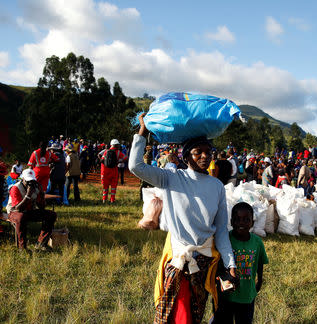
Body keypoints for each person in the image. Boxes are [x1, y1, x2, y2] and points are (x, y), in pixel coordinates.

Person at [129, 113, 237, 323]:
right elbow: (135, 167)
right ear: (186, 157)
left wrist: (230, 263)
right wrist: (143, 132)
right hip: (178, 259)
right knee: (171, 316)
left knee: (194, 316)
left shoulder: (216, 187)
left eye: (208, 152)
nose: (205, 156)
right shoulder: (171, 178)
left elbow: (222, 229)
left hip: (203, 261)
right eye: (198, 153)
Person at [212, 202, 268, 324]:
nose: (241, 223)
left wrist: (260, 280)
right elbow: (217, 264)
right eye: (237, 219)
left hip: (247, 295)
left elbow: (260, 262)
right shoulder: (225, 240)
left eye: (246, 219)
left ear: (252, 222)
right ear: (231, 222)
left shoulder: (257, 242)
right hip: (226, 296)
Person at [6, 169, 57, 251]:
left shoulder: (35, 188)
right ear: (22, 179)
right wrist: (28, 196)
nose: (30, 184)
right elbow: (18, 208)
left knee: (51, 215)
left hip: (29, 211)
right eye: (28, 181)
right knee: (21, 217)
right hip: (14, 212)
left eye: (32, 181)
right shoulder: (15, 188)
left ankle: (41, 244)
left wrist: (41, 193)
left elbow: (41, 207)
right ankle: (22, 248)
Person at [99, 139, 127, 203]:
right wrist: (118, 161)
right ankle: (112, 200)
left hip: (105, 172)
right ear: (116, 145)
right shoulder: (118, 152)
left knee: (105, 187)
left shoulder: (106, 151)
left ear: (111, 145)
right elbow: (125, 158)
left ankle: (104, 200)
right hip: (114, 171)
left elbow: (102, 160)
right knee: (113, 187)